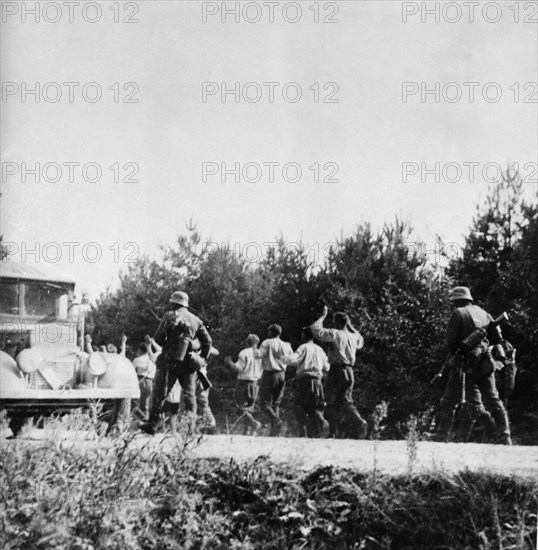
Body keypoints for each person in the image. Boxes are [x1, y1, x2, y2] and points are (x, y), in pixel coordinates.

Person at [433, 286, 511, 445]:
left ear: (458, 301)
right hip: (486, 363)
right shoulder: (484, 313)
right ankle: (505, 436)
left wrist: (453, 356)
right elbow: (497, 338)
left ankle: (441, 436)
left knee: (450, 400)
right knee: (493, 399)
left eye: (454, 302)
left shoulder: (458, 313)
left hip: (465, 364)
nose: (453, 305)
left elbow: (450, 341)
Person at [140, 291, 212, 435]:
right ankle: (190, 429)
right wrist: (202, 358)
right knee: (190, 396)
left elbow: (158, 339)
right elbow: (208, 341)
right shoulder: (196, 320)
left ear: (174, 303)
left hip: (169, 361)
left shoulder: (169, 315)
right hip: (189, 363)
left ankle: (152, 426)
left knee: (160, 394)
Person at [310, 306, 367, 439]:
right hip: (349, 371)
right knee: (345, 401)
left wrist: (323, 316)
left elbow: (316, 330)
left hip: (337, 370)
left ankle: (333, 432)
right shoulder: (354, 337)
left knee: (330, 400)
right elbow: (361, 339)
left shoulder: (335, 334)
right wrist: (350, 325)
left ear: (337, 323)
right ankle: (359, 421)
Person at [288, 327, 330, 438]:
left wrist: (284, 356)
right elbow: (327, 366)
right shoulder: (320, 349)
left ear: (305, 336)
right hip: (317, 380)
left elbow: (292, 360)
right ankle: (317, 430)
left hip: (305, 379)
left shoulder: (303, 347)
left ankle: (305, 431)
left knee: (299, 405)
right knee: (314, 406)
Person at [225, 334, 263, 435]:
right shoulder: (260, 354)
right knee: (249, 408)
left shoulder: (244, 353)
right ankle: (246, 431)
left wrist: (230, 362)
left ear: (247, 342)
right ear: (257, 343)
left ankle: (253, 423)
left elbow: (238, 368)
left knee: (240, 406)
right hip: (255, 383)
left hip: (244, 382)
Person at [258, 324, 293, 435]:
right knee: (276, 403)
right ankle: (275, 431)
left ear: (271, 332)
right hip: (281, 374)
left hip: (269, 374)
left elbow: (260, 356)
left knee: (264, 403)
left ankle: (277, 421)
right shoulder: (286, 345)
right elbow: (291, 360)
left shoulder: (266, 342)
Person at [132, 342, 156, 420]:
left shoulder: (137, 360)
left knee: (135, 402)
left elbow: (132, 371)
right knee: (146, 402)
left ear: (140, 350)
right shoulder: (153, 359)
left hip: (140, 380)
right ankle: (144, 418)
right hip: (150, 381)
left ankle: (143, 419)